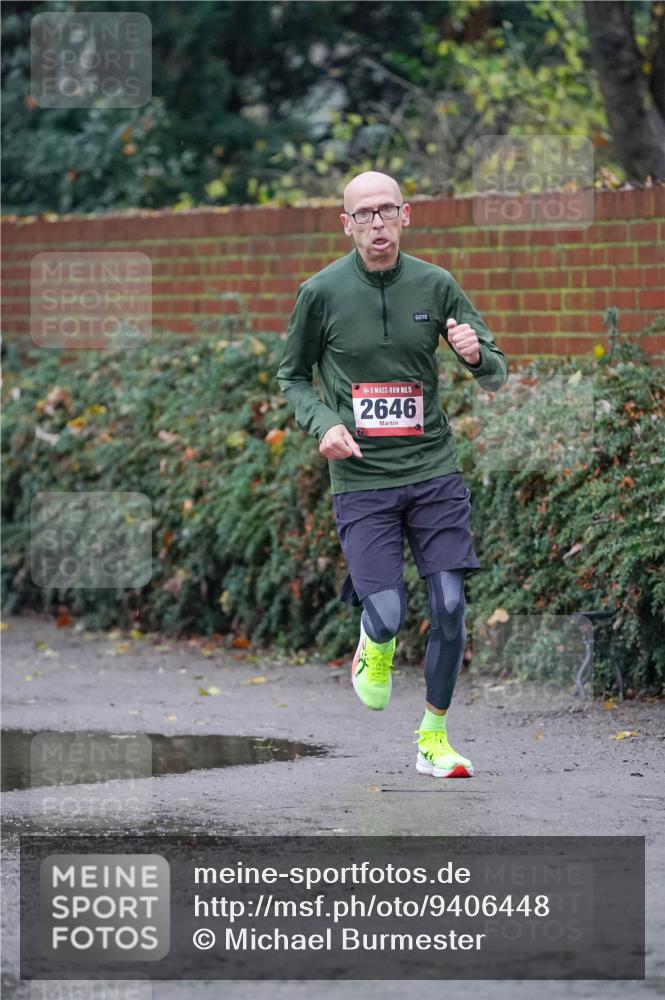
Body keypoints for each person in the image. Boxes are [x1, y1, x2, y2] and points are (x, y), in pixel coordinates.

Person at [276, 171, 508, 779]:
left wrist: (475, 353)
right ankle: (372, 644)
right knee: (386, 611)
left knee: (452, 605)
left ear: (407, 215)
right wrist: (323, 422)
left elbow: (497, 372)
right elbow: (292, 377)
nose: (377, 225)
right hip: (363, 480)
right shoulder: (321, 292)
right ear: (345, 224)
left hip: (433, 470)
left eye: (386, 212)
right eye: (363, 215)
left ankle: (434, 736)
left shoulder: (437, 284)